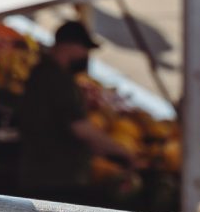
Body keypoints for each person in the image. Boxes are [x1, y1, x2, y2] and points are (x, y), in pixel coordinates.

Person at [13, 18, 127, 200]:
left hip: (43, 176)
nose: (86, 55)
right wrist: (122, 152)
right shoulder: (57, 80)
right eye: (85, 49)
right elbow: (80, 127)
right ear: (69, 46)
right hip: (55, 180)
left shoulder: (43, 73)